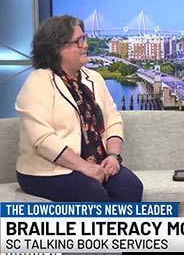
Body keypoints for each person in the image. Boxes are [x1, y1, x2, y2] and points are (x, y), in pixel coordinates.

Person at [15, 15, 143, 202]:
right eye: (79, 40)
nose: (85, 45)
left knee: (130, 188)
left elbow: (113, 120)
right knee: (93, 195)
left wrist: (113, 156)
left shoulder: (94, 78)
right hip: (47, 170)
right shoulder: (38, 82)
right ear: (57, 48)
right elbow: (43, 139)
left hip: (96, 161)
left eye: (84, 38)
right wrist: (83, 167)